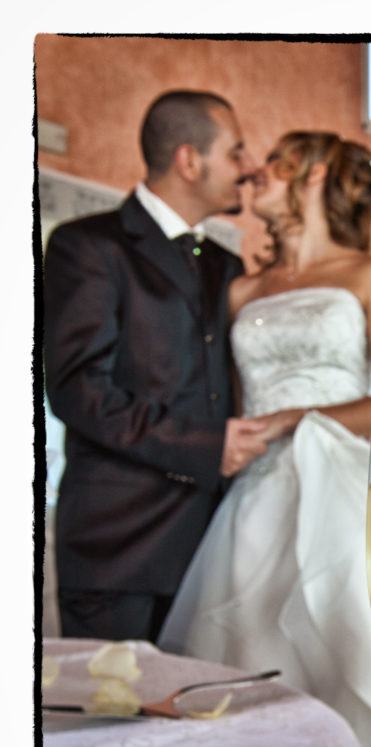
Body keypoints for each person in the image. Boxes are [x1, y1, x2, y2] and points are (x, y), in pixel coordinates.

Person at [158, 131, 371, 747]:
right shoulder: (242, 290)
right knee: (247, 672)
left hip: (339, 487)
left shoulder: (368, 274)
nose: (254, 176)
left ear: (311, 174)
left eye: (271, 165)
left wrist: (298, 419)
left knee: (351, 663)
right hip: (254, 503)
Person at [44, 90, 266, 642]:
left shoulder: (228, 264)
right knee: (112, 722)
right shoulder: (88, 247)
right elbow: (77, 390)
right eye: (235, 152)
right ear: (189, 160)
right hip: (119, 544)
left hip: (214, 547)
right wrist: (207, 444)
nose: (248, 168)